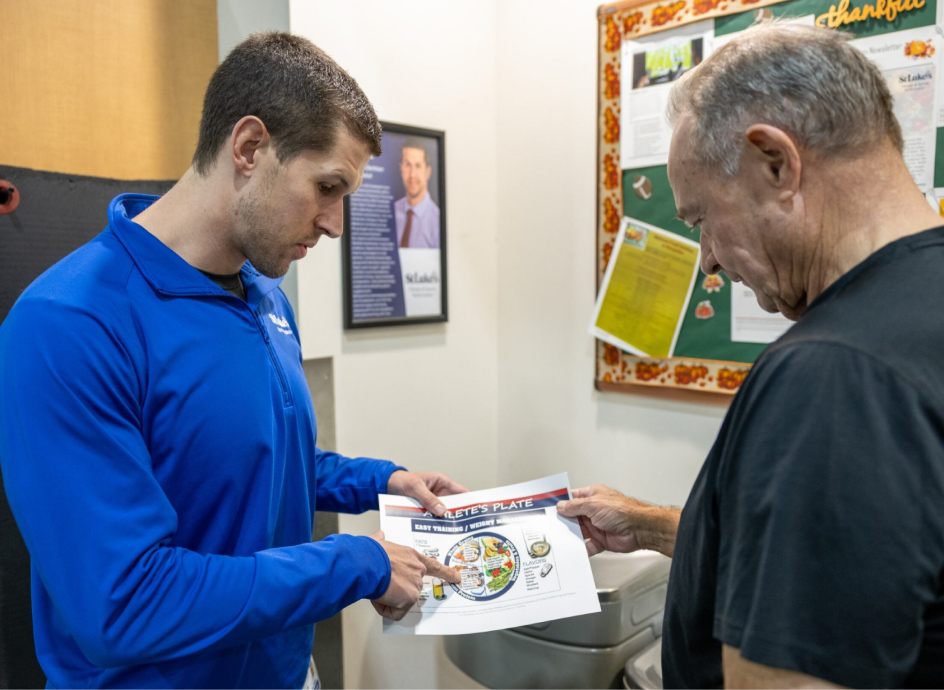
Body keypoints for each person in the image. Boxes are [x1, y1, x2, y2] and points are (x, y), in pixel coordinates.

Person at [0, 32, 463, 689]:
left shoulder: (265, 297)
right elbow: (122, 605)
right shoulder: (69, 324)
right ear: (249, 148)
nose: (335, 224)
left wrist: (381, 482)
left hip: (283, 671)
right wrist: (355, 563)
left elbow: (256, 463)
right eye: (327, 187)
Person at [558, 22, 944, 689]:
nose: (705, 259)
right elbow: (860, 562)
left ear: (776, 163)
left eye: (702, 217)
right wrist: (652, 526)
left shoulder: (832, 375)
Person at [394, 139, 441, 249]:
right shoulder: (390, 213)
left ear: (428, 172)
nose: (412, 175)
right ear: (400, 168)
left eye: (418, 166)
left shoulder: (437, 222)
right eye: (407, 165)